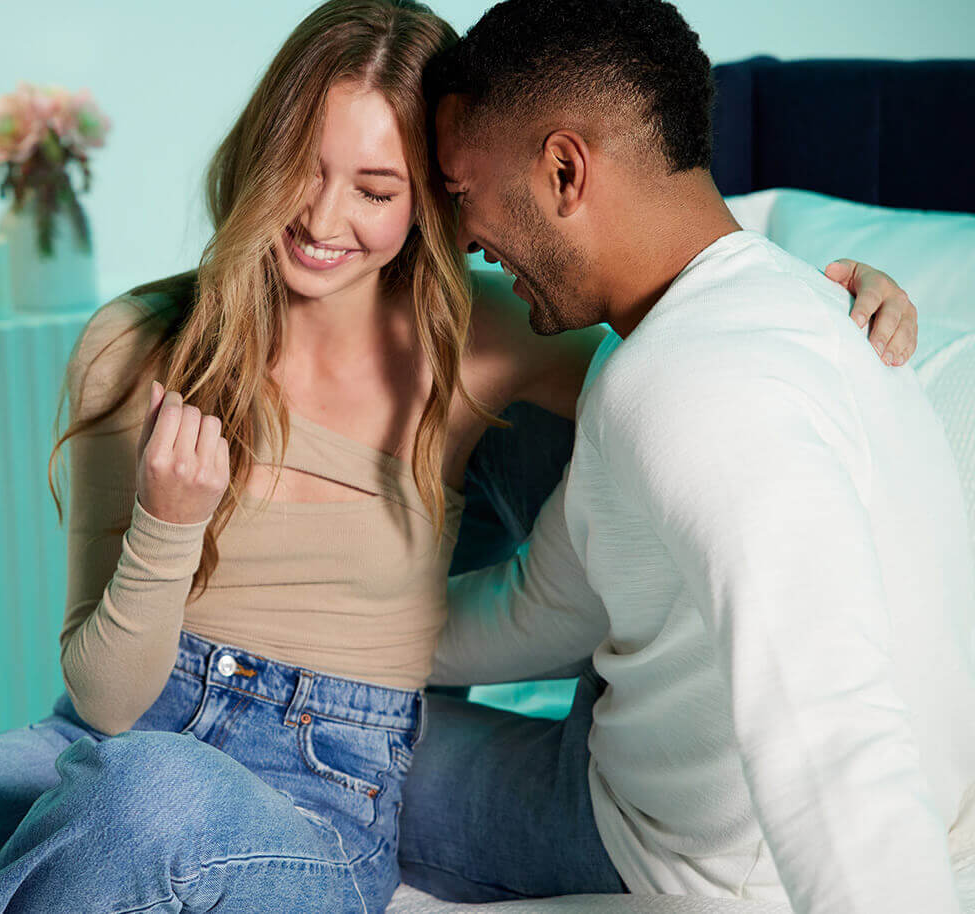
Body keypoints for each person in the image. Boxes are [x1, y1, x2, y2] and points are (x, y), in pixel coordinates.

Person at [0, 2, 918, 911]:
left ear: (433, 209)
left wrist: (827, 293)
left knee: (155, 802)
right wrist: (167, 525)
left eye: (380, 187)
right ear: (261, 147)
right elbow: (108, 701)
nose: (327, 217)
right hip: (112, 735)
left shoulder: (483, 338)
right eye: (308, 162)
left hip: (320, 791)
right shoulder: (135, 344)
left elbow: (679, 293)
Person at [398, 1, 975, 912]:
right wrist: (352, 638)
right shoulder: (788, 302)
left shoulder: (685, 386)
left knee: (296, 740)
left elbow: (829, 737)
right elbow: (553, 603)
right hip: (664, 752)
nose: (464, 237)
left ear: (562, 170)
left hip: (691, 856)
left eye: (463, 193)